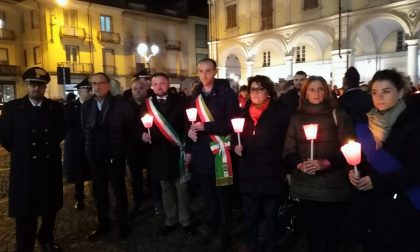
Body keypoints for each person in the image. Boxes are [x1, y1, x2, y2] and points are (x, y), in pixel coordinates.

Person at [345, 69, 420, 252]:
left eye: (386, 91)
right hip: (370, 209)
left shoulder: (414, 124)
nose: (379, 97)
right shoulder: (364, 123)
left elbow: (416, 169)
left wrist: (377, 182)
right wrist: (353, 172)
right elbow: (362, 160)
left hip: (403, 209)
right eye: (374, 92)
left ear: (400, 92)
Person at [283, 76, 353, 252]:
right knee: (312, 233)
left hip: (332, 187)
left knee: (332, 233)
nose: (316, 93)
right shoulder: (297, 117)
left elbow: (349, 147)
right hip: (307, 187)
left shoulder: (337, 114)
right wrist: (300, 164)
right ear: (305, 93)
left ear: (327, 91)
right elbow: (288, 150)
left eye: (320, 89)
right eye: (312, 89)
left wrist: (326, 163)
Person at [0, 67, 65, 251]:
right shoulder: (13, 108)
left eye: (41, 85)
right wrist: (24, 152)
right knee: (25, 212)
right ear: (26, 85)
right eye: (32, 84)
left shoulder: (55, 108)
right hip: (25, 169)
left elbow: (60, 132)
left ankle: (46, 237)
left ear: (45, 87)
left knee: (49, 208)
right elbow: (5, 137)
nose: (36, 88)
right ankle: (24, 246)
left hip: (49, 167)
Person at [233, 75, 291, 252]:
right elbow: (235, 137)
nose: (256, 93)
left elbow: (287, 143)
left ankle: (271, 245)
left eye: (260, 89)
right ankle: (252, 245)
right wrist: (235, 146)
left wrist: (287, 170)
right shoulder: (243, 113)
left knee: (270, 215)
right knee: (250, 215)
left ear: (268, 91)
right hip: (249, 173)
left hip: (271, 172)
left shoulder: (280, 112)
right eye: (252, 89)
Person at [187, 58, 240, 251]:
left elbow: (234, 123)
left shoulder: (227, 94)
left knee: (223, 197)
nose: (204, 75)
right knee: (208, 198)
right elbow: (190, 122)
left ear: (215, 71)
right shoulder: (195, 95)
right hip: (202, 153)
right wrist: (190, 132)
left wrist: (207, 126)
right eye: (200, 71)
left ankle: (225, 232)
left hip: (220, 154)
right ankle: (212, 229)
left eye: (208, 71)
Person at [81, 72, 135, 240]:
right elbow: (86, 128)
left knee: (119, 192)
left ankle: (122, 224)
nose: (97, 86)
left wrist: (122, 152)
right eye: (94, 83)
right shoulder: (87, 106)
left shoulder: (121, 104)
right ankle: (103, 224)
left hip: (115, 155)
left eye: (101, 83)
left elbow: (129, 129)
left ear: (108, 85)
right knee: (100, 194)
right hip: (96, 157)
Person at [141, 73, 195, 235]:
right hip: (159, 153)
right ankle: (170, 220)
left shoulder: (181, 101)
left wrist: (188, 149)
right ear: (152, 86)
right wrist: (142, 135)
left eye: (162, 83)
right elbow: (139, 125)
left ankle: (185, 220)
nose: (159, 87)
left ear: (168, 83)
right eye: (155, 84)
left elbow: (188, 126)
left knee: (183, 188)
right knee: (166, 189)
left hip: (178, 151)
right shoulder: (146, 104)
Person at [63, 78, 92, 211]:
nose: (90, 92)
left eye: (90, 89)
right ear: (80, 91)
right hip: (77, 146)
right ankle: (79, 198)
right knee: (79, 174)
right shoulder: (69, 107)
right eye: (87, 90)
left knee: (94, 171)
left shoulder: (95, 105)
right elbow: (68, 127)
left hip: (92, 145)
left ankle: (97, 194)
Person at [126, 78, 149, 218]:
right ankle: (138, 201)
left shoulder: (151, 104)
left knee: (153, 173)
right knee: (136, 177)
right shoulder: (125, 106)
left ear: (146, 90)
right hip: (133, 147)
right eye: (135, 89)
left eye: (141, 88)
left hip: (150, 146)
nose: (138, 91)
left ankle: (157, 199)